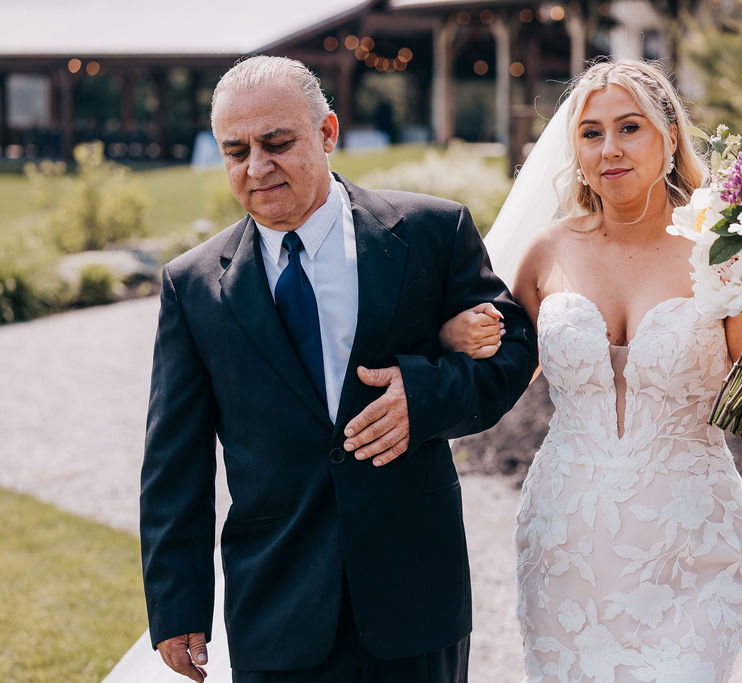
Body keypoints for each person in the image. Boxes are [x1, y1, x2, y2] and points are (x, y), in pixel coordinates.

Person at [134, 55, 537, 682]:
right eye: (235, 151)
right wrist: (176, 603)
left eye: (277, 143)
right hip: (276, 602)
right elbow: (173, 459)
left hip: (414, 595)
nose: (257, 167)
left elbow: (513, 349)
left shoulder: (432, 230)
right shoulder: (192, 286)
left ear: (327, 133)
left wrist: (424, 396)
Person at [441, 59, 742, 681]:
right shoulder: (545, 253)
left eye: (629, 127)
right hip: (565, 543)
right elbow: (496, 377)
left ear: (668, 136)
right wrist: (455, 334)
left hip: (692, 543)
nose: (609, 149)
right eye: (591, 133)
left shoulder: (726, 256)